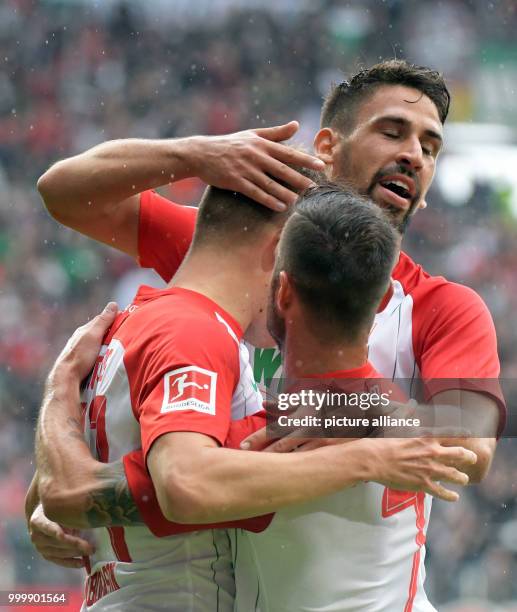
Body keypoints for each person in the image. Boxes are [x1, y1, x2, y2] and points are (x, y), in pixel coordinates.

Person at [30, 59, 504, 604]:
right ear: (326, 146)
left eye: (430, 146)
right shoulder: (242, 253)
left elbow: (471, 444)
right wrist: (197, 156)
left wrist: (324, 415)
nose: (413, 155)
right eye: (392, 131)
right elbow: (63, 193)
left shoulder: (442, 305)